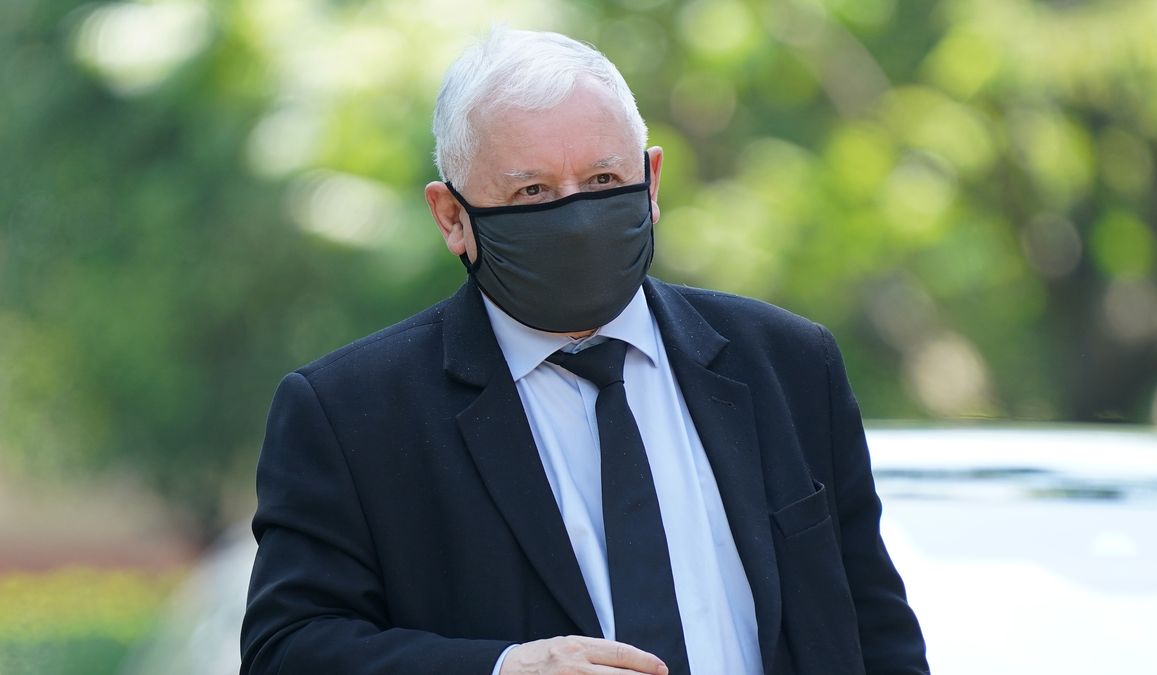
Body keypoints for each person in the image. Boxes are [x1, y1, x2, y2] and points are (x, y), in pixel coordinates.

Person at [241, 27, 927, 675]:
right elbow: (287, 649)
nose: (574, 221)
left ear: (651, 183)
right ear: (452, 217)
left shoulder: (789, 364)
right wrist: (501, 668)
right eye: (532, 191)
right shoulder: (350, 414)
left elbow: (876, 629)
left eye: (602, 182)